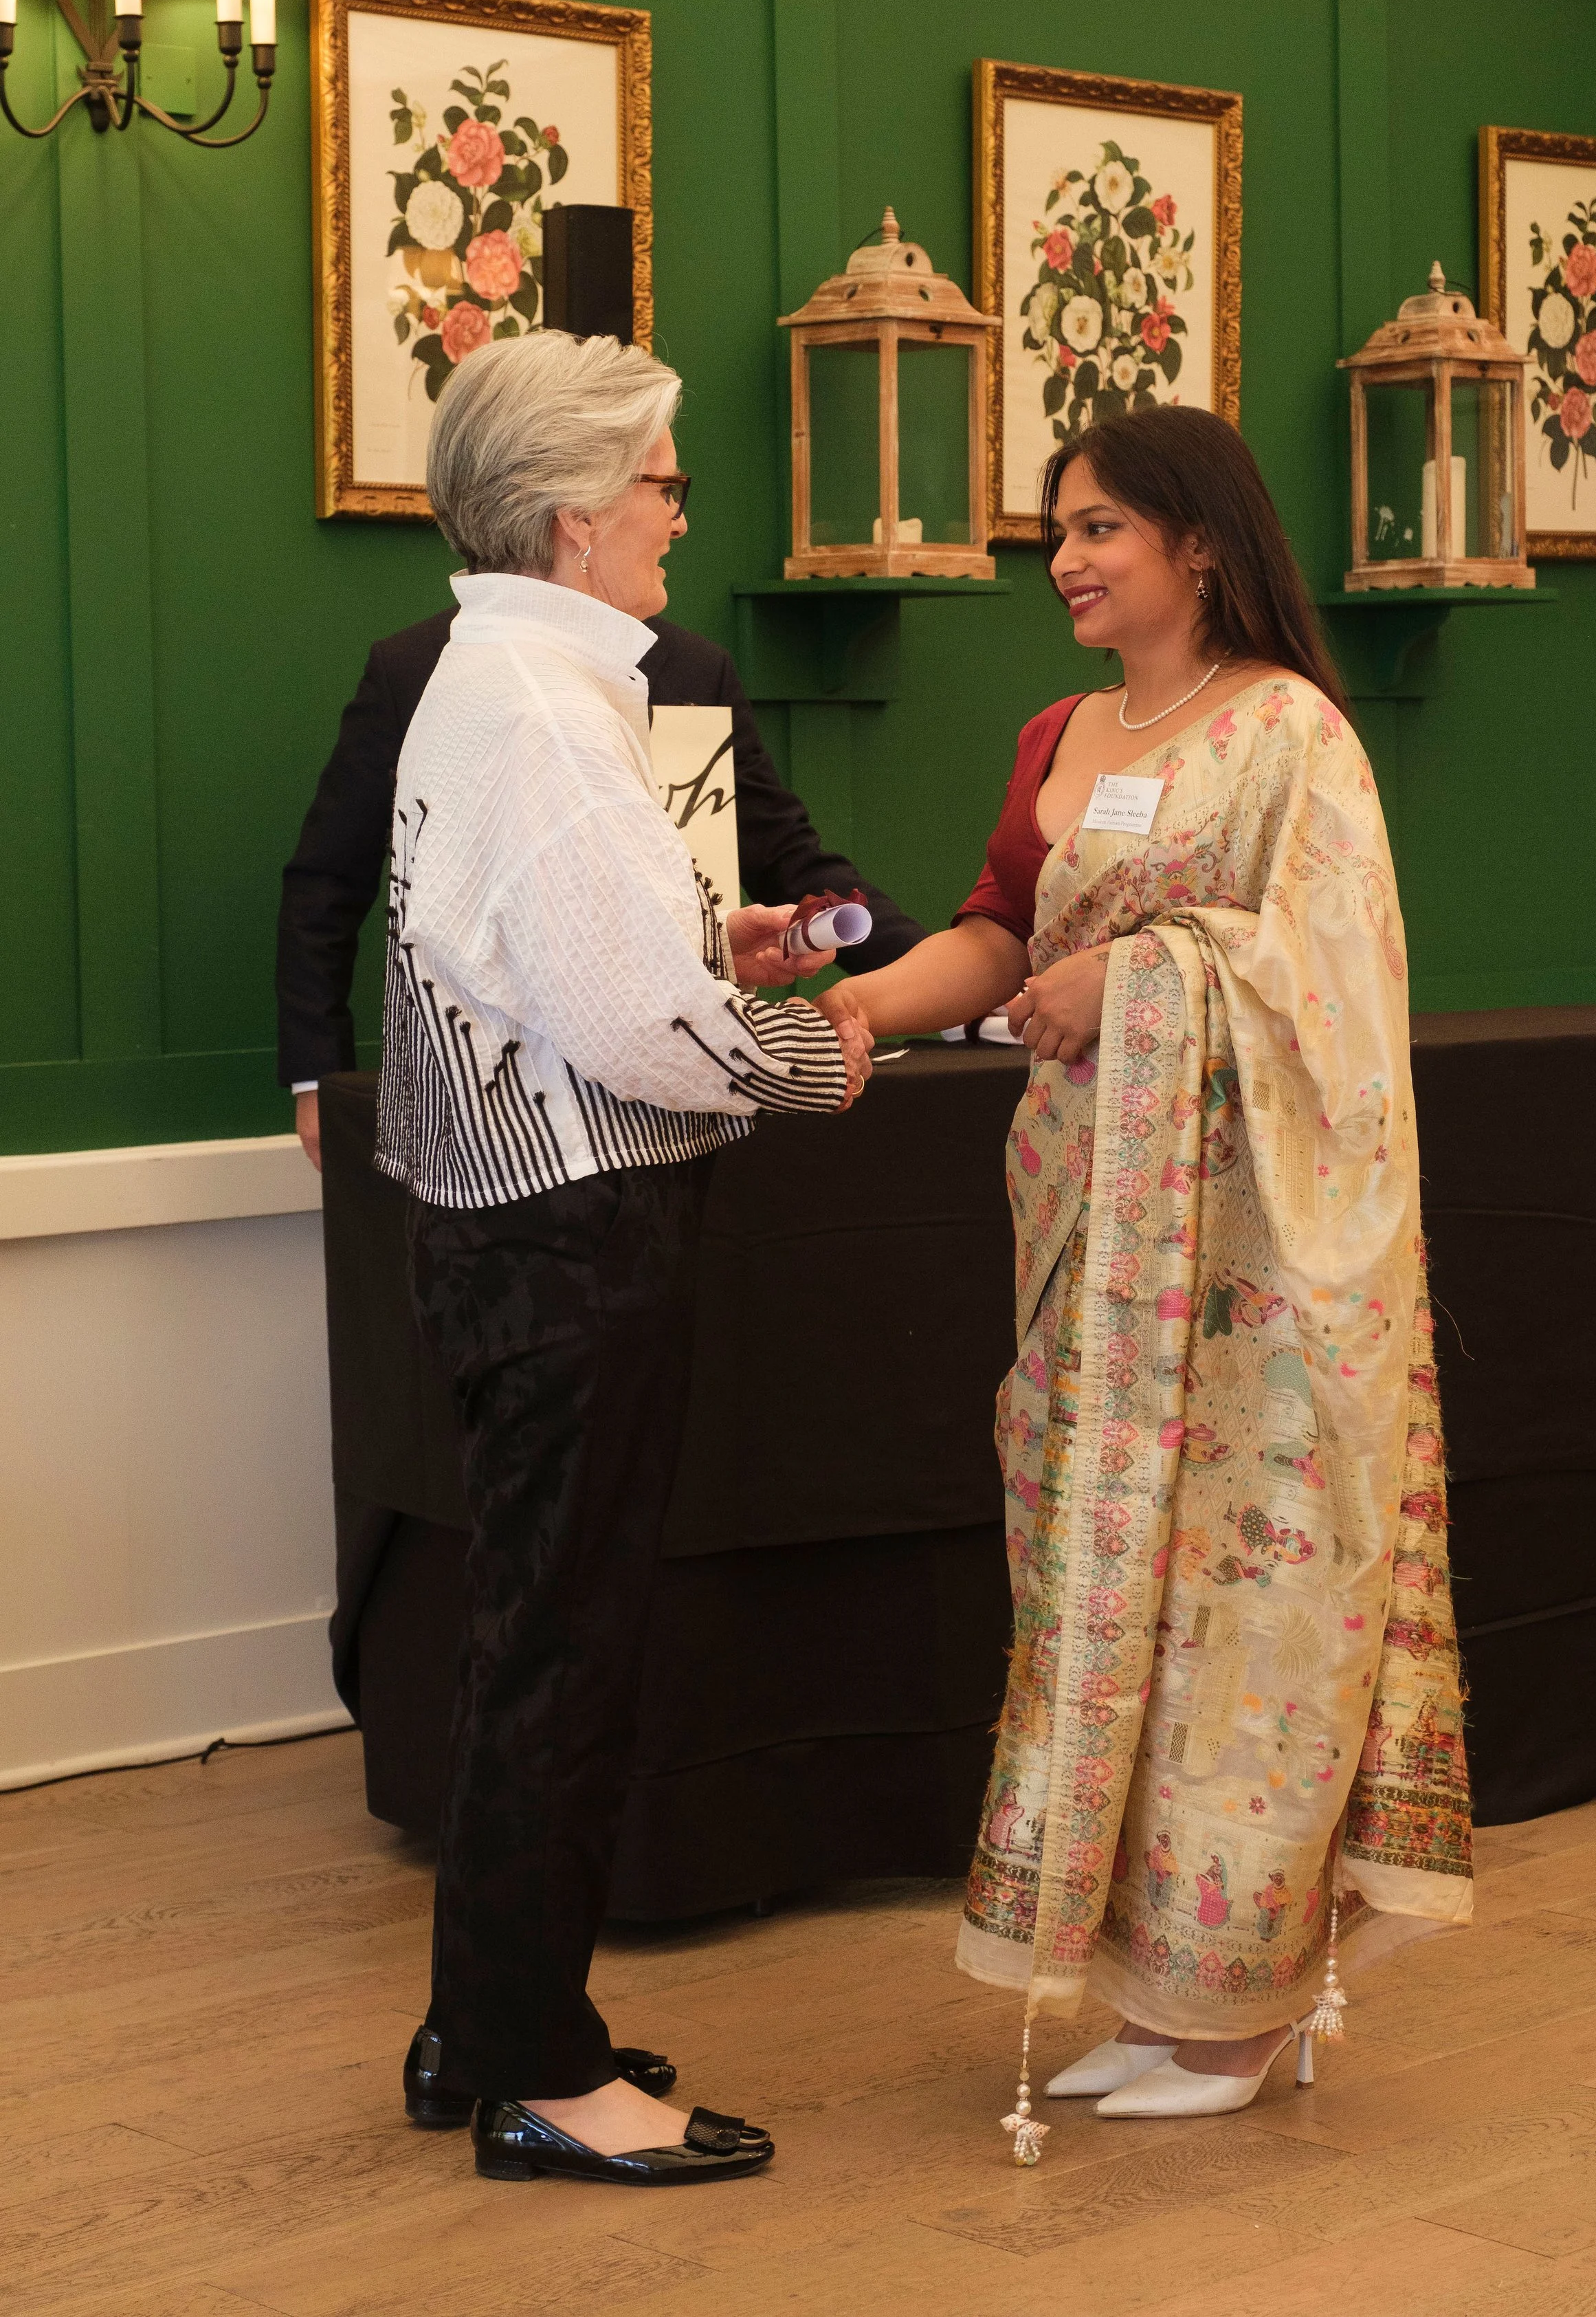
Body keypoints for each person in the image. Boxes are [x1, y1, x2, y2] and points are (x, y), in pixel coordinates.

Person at [824, 404, 1470, 2144]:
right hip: (1082, 1228)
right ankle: (1158, 1981)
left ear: (1199, 540)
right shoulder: (1063, 729)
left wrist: (1146, 979)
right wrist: (866, 1005)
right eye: (1057, 531)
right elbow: (999, 923)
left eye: (1101, 525)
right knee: (1104, 1592)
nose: (1068, 558)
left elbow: (1335, 978)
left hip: (1251, 1268)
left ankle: (1240, 1998)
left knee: (1244, 1609)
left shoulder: (1289, 736)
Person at [380, 327, 872, 2187]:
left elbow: (554, 968)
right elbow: (626, 1031)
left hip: (508, 1225)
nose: (680, 508)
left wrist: (700, 944)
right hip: (573, 1234)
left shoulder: (491, 679)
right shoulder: (540, 708)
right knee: (565, 1649)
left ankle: (483, 2023)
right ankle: (536, 2066)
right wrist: (821, 1049)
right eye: (660, 479)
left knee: (529, 1636)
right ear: (576, 510)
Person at [278, 545, 921, 1170]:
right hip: (517, 1133)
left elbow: (785, 850)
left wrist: (938, 978)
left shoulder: (695, 669)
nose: (679, 523)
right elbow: (329, 881)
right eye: (659, 490)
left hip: (690, 1111)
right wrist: (317, 1079)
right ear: (581, 516)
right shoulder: (422, 666)